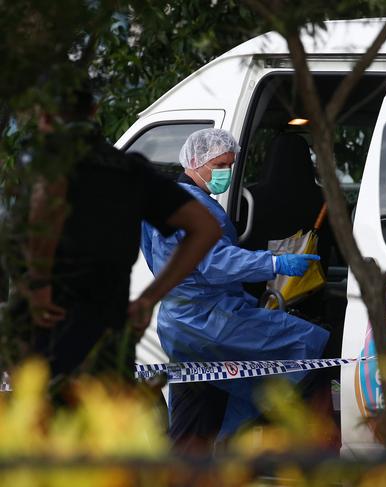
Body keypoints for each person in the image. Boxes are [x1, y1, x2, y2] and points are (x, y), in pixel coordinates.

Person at [12, 85, 222, 390]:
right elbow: (206, 228)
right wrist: (150, 298)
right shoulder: (130, 170)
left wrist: (39, 282)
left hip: (48, 334)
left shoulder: (48, 163)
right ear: (94, 111)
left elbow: (47, 204)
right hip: (109, 340)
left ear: (44, 117)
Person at [141, 128, 330, 454]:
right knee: (308, 348)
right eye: (220, 164)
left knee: (196, 410)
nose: (227, 171)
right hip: (210, 322)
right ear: (197, 162)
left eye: (230, 163)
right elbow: (215, 263)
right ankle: (310, 454)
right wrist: (274, 264)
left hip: (183, 323)